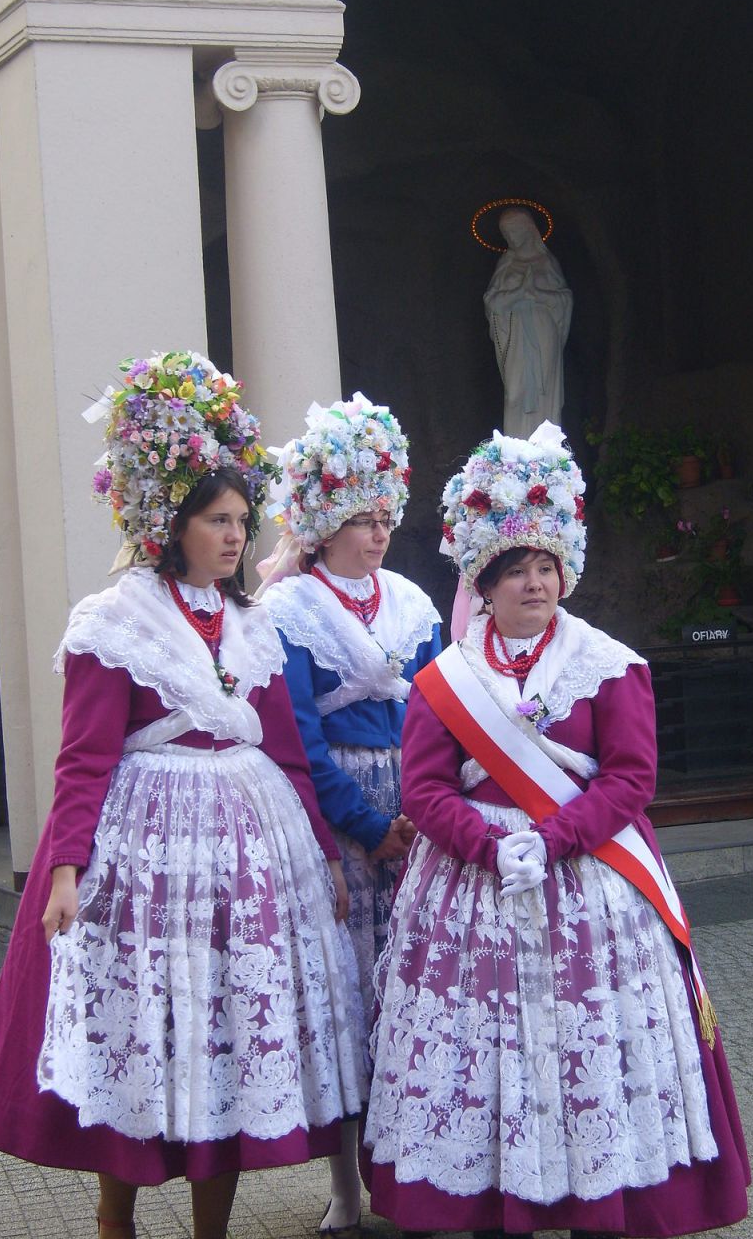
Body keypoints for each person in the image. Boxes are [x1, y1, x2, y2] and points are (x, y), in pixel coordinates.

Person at [0, 352, 367, 1239]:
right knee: (141, 1026)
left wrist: (323, 852)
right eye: (217, 520)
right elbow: (83, 759)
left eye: (243, 520)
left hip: (249, 866)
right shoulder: (115, 623)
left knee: (232, 1040)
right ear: (173, 524)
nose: (236, 537)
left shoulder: (252, 626)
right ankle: (114, 1220)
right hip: (145, 858)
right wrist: (65, 871)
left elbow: (288, 754)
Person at [362, 421, 751, 1237]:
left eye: (546, 567)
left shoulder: (609, 664)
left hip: (590, 885)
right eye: (516, 571)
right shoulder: (443, 682)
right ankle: (492, 1196)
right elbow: (426, 790)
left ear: (564, 572)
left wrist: (552, 839)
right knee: (488, 1051)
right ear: (486, 582)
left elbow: (632, 780)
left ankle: (601, 1196)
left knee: (589, 1047)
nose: (534, 584)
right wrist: (491, 846)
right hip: (474, 889)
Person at [260, 392, 441, 1239]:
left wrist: (432, 801)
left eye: (384, 517)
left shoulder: (410, 600)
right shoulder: (290, 610)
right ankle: (344, 1182)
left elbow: (441, 707)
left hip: (423, 804)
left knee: (417, 988)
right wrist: (367, 826)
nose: (377, 534)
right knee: (346, 994)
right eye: (361, 519)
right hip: (340, 817)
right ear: (323, 521)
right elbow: (296, 733)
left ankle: (424, 1169)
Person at [484, 208, 573, 439]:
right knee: (515, 392)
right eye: (506, 232)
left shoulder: (547, 262)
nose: (511, 236)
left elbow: (564, 299)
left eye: (514, 230)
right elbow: (491, 301)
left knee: (545, 388)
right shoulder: (506, 263)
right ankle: (516, 447)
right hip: (516, 333)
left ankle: (547, 450)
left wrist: (536, 295)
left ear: (527, 228)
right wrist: (517, 294)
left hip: (545, 331)